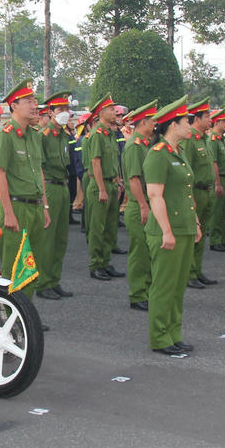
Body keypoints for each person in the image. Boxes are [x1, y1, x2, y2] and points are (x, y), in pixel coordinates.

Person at [143, 98, 200, 356]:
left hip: (184, 226)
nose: (191, 124)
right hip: (167, 229)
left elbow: (187, 193)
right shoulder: (157, 155)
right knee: (164, 285)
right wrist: (166, 230)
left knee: (178, 285)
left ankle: (174, 333)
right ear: (173, 125)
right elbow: (155, 195)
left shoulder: (180, 152)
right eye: (187, 121)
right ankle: (160, 337)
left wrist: (195, 223)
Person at [0, 81, 51, 304]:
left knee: (32, 264)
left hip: (35, 206)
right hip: (16, 207)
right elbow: (0, 174)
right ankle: (10, 314)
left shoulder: (35, 135)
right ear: (13, 105)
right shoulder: (5, 135)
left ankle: (26, 313)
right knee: (14, 264)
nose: (34, 106)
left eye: (34, 101)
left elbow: (39, 173)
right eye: (28, 101)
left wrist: (45, 206)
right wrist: (8, 212)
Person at [35, 92, 74, 299]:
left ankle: (54, 280)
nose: (64, 113)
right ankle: (42, 283)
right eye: (60, 110)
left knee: (61, 238)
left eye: (66, 109)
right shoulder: (43, 136)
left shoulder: (65, 136)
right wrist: (44, 201)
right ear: (50, 113)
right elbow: (39, 168)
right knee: (47, 239)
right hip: (49, 186)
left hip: (63, 186)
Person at [121, 99, 159, 311]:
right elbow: (135, 180)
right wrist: (144, 206)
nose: (154, 125)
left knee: (149, 251)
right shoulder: (134, 147)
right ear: (143, 122)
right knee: (140, 252)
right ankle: (137, 294)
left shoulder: (145, 145)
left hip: (146, 203)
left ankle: (146, 290)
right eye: (152, 120)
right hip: (139, 205)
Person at [83, 94, 124, 280]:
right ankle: (96, 264)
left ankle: (106, 261)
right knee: (97, 228)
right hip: (100, 185)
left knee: (110, 226)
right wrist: (101, 188)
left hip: (112, 183)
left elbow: (112, 160)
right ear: (100, 113)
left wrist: (118, 179)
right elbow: (96, 162)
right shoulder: (97, 134)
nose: (115, 112)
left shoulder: (110, 134)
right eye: (110, 109)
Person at [182, 98, 220, 289]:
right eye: (207, 116)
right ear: (196, 119)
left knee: (202, 233)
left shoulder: (205, 139)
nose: (210, 120)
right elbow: (186, 170)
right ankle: (189, 272)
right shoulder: (190, 141)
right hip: (195, 192)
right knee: (193, 235)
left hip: (207, 191)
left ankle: (197, 270)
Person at [207, 110, 225, 252]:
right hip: (220, 179)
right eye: (224, 121)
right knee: (217, 212)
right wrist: (217, 183)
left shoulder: (221, 139)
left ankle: (222, 238)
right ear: (216, 122)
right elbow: (214, 162)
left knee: (224, 212)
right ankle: (215, 240)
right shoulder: (212, 139)